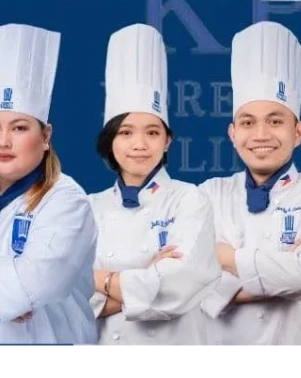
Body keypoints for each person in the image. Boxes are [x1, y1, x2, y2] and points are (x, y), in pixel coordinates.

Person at [197, 22, 301, 346]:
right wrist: (281, 271)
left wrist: (223, 257)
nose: (261, 135)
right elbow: (190, 283)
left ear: (298, 133)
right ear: (233, 134)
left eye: (275, 121)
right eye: (248, 122)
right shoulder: (207, 195)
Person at [0, 24, 97, 344]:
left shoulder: (67, 202)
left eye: (18, 128)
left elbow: (26, 290)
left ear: (45, 137)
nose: (3, 141)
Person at [87, 24, 219, 346]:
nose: (140, 144)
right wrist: (145, 277)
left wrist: (98, 280)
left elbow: (180, 287)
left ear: (168, 141)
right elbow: (64, 301)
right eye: (126, 132)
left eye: (152, 132)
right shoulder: (87, 206)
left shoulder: (190, 199)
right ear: (111, 140)